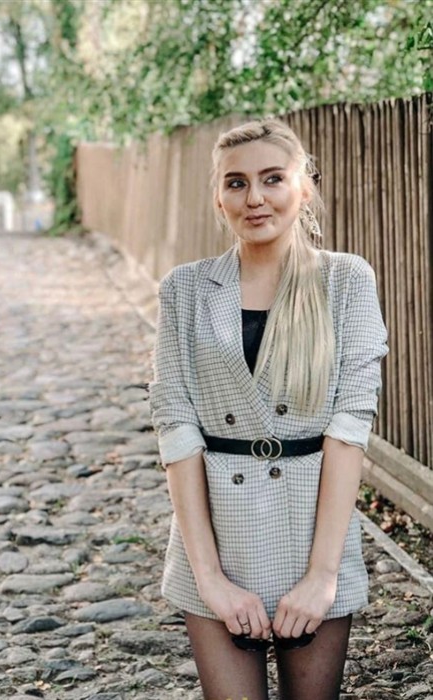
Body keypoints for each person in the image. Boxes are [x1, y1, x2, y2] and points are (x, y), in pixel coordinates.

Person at [149, 118, 388, 700]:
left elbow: (349, 429)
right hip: (218, 539)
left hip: (311, 533)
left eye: (272, 178)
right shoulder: (185, 289)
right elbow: (176, 429)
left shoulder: (345, 281)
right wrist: (211, 579)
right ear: (219, 197)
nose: (254, 197)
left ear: (303, 187)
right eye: (236, 183)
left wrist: (322, 576)